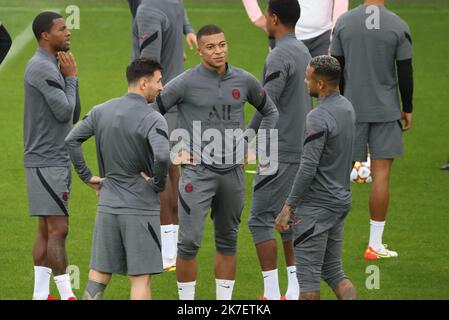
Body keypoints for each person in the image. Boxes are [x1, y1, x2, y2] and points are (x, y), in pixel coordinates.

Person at [154, 24, 278, 300]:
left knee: (227, 241)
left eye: (222, 44)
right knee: (188, 243)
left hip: (232, 175)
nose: (218, 51)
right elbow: (150, 111)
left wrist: (250, 143)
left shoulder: (244, 81)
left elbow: (269, 111)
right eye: (210, 47)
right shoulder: (184, 82)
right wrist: (172, 149)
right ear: (198, 51)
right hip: (197, 175)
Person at [65, 58, 170, 300]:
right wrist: (156, 184)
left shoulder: (101, 110)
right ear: (144, 83)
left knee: (98, 275)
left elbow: (72, 140)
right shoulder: (154, 118)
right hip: (140, 208)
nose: (162, 87)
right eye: (159, 81)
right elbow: (163, 156)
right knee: (140, 279)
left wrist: (86, 176)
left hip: (108, 206)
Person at [331, 0, 414, 260]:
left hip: (350, 110)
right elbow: (405, 71)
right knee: (381, 177)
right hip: (386, 111)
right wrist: (407, 107)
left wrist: (341, 103)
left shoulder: (344, 22)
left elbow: (336, 67)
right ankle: (374, 246)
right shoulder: (398, 25)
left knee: (335, 177)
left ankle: (326, 243)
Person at [275, 55, 357, 300]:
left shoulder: (317, 117)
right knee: (334, 272)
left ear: (321, 84)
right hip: (340, 201)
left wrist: (288, 207)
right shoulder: (347, 108)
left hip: (316, 208)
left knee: (308, 280)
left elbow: (308, 167)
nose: (304, 81)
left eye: (308, 78)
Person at [246, 0, 311, 300]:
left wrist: (247, 137)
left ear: (273, 18)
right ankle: (295, 290)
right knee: (288, 220)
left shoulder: (279, 56)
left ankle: (272, 294)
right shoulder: (303, 51)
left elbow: (265, 103)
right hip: (299, 145)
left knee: (259, 219)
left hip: (278, 150)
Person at [132, 0, 197, 270]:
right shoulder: (173, 2)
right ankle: (175, 246)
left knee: (161, 173)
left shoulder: (148, 9)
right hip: (177, 104)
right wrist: (184, 37)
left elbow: (148, 67)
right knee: (173, 172)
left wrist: (141, 106)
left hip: (158, 103)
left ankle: (167, 252)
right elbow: (180, 19)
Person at [24, 11, 81, 300]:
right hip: (47, 160)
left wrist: (72, 78)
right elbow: (64, 113)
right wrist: (70, 78)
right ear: (46, 35)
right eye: (62, 28)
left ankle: (40, 295)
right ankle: (66, 294)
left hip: (52, 159)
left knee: (47, 230)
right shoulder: (41, 68)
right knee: (59, 229)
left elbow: (74, 111)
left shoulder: (51, 65)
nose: (68, 32)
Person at [242, 0, 348, 56]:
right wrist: (255, 16)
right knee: (282, 92)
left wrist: (336, 32)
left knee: (330, 92)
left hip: (323, 38)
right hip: (283, 35)